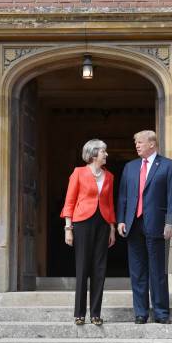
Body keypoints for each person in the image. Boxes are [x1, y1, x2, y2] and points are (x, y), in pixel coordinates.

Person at [117, 130, 172, 324]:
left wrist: (170, 222)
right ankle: (141, 313)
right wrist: (121, 220)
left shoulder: (168, 166)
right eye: (135, 142)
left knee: (158, 271)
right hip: (133, 225)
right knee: (137, 271)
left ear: (152, 144)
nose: (136, 145)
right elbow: (123, 196)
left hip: (158, 225)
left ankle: (161, 313)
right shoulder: (130, 167)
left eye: (140, 142)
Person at [60, 139, 116, 326]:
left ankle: (96, 314)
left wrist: (112, 228)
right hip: (82, 222)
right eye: (103, 151)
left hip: (103, 223)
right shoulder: (78, 173)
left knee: (99, 269)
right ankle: (79, 313)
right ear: (93, 154)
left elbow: (110, 204)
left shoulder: (109, 176)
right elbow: (69, 201)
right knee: (83, 267)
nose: (106, 154)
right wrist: (68, 228)